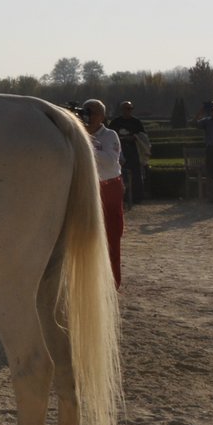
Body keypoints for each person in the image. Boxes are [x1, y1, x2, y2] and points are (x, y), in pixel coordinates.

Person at [82, 99, 124, 289]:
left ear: (102, 116)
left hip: (109, 187)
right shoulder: (78, 133)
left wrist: (86, 145)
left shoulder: (110, 135)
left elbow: (109, 161)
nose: (89, 116)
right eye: (87, 112)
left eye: (94, 112)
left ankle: (113, 283)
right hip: (86, 187)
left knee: (112, 237)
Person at [108, 100, 148, 210]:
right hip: (119, 151)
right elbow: (109, 136)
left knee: (136, 174)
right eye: (126, 109)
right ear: (121, 110)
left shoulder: (136, 122)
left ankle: (137, 197)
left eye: (130, 109)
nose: (128, 111)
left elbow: (143, 136)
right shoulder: (115, 122)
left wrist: (134, 137)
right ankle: (122, 197)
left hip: (133, 150)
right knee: (119, 174)